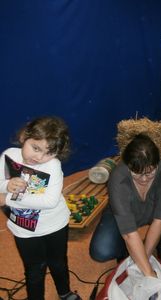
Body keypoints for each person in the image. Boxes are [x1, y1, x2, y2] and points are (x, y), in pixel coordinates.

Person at [0, 116, 81, 300]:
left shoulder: (53, 166)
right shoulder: (9, 155)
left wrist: (8, 199)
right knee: (33, 268)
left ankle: (64, 292)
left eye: (48, 153)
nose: (39, 157)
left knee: (58, 262)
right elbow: (0, 183)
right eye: (35, 148)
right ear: (24, 137)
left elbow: (49, 201)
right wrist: (7, 185)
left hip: (54, 225)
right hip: (23, 228)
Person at [89, 133, 161, 272]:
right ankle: (125, 250)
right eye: (137, 173)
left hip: (156, 213)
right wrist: (148, 271)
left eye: (149, 173)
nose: (143, 179)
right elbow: (129, 233)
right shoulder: (118, 177)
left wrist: (145, 261)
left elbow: (160, 221)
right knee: (101, 250)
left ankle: (160, 240)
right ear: (128, 165)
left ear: (157, 164)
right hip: (126, 214)